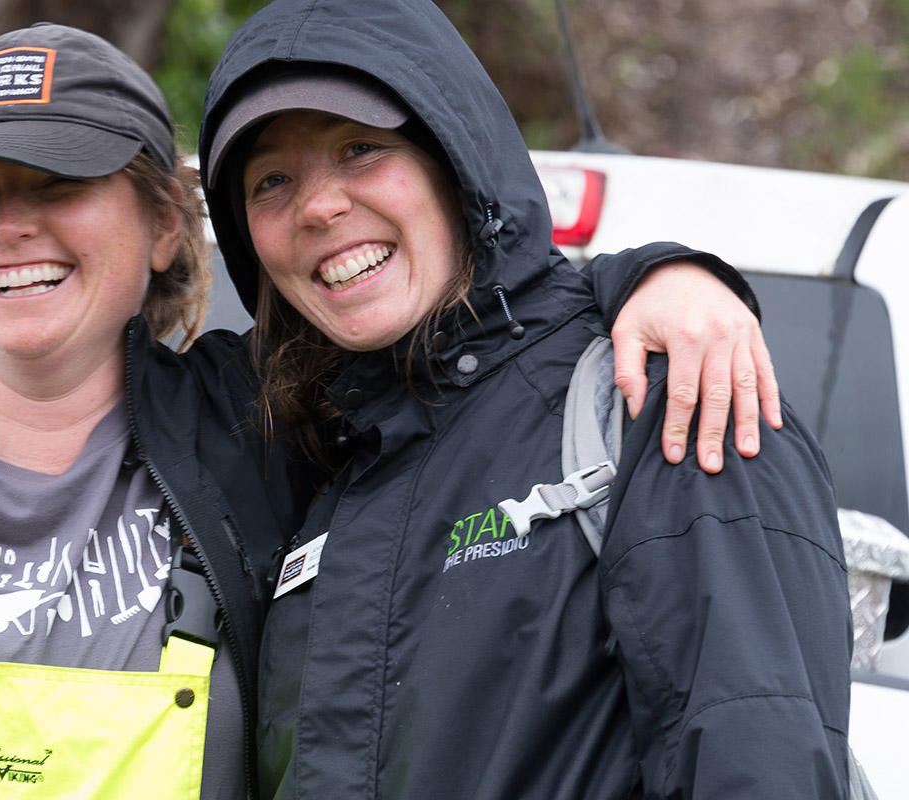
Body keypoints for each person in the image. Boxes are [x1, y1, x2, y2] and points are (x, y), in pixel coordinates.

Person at [0, 18, 780, 800]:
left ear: (163, 226)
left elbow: (477, 340)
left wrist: (659, 275)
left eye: (57, 188)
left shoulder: (273, 432)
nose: (10, 227)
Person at [197, 0, 851, 798]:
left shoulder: (663, 395)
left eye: (361, 149)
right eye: (271, 179)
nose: (318, 206)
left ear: (457, 161)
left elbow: (757, 763)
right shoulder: (318, 471)